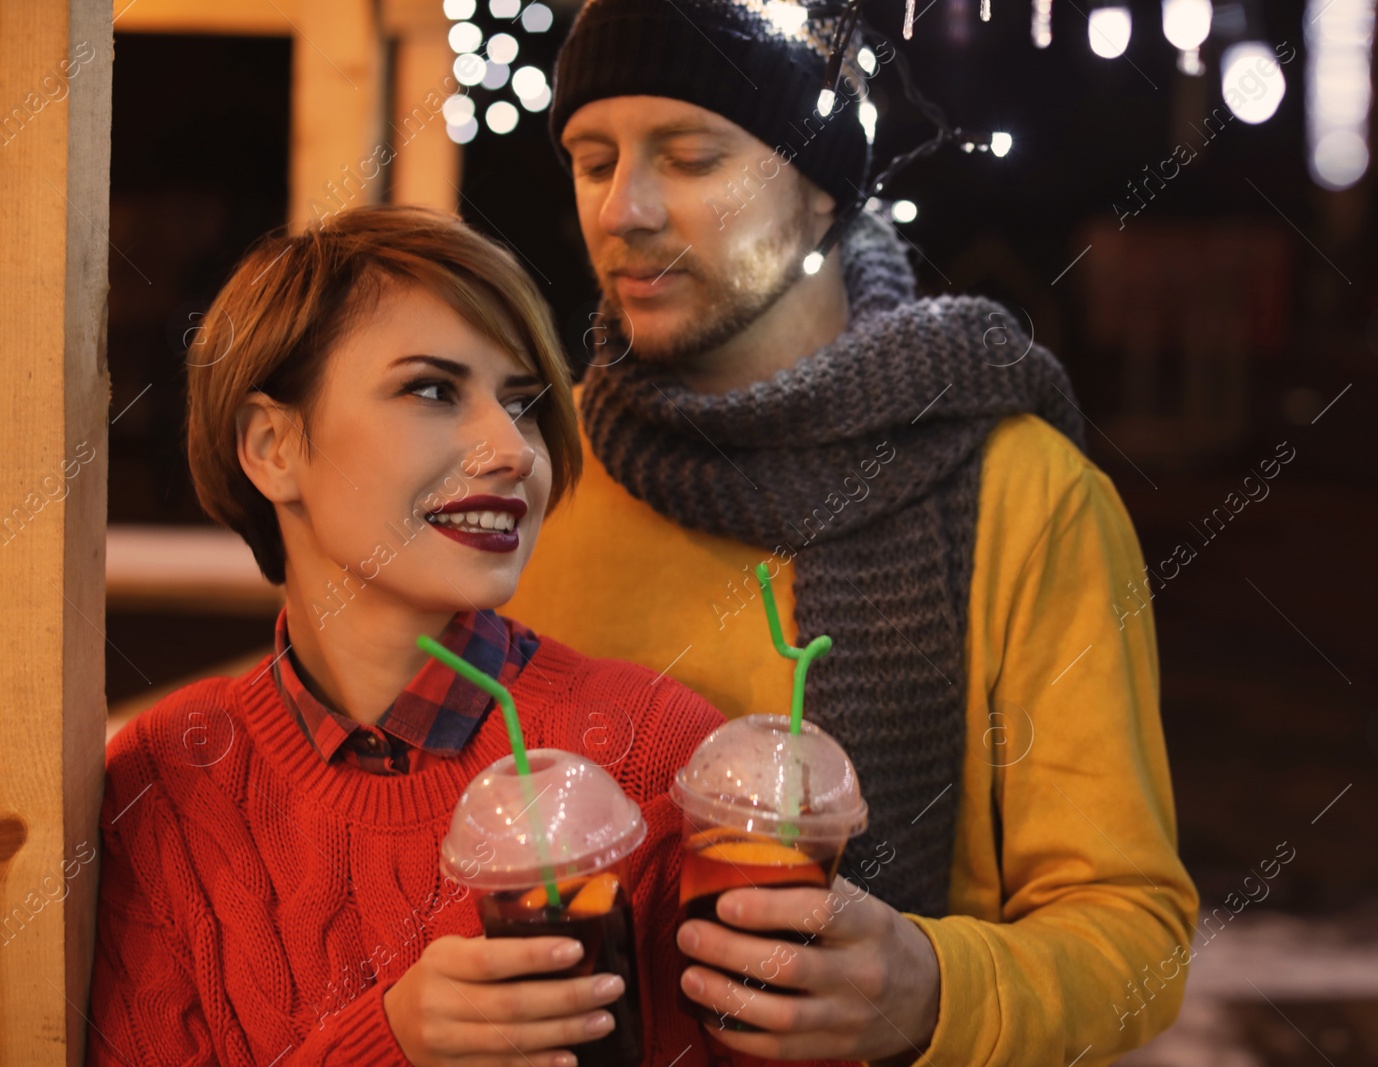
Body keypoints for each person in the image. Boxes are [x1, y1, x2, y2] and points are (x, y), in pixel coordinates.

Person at [497, 0, 1202, 1063]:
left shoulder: (1017, 491)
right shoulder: (531, 475)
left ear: (824, 185)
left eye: (689, 158)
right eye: (593, 161)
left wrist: (930, 986)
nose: (623, 209)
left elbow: (1134, 935)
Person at [88, 205, 857, 1067]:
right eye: (432, 388)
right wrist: (395, 1045)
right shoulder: (157, 788)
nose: (511, 450)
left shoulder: (660, 754)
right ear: (272, 446)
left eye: (523, 403)